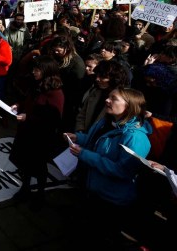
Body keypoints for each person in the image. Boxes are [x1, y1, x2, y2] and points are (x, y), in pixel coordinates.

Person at [65, 87, 152, 247]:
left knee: (100, 237)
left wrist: (85, 155)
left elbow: (122, 170)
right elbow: (97, 142)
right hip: (93, 189)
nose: (107, 100)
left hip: (111, 199)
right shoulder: (107, 122)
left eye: (114, 98)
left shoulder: (135, 138)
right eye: (109, 96)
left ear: (129, 106)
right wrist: (80, 138)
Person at [9, 55, 64, 208]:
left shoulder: (55, 92)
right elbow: (30, 102)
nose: (34, 72)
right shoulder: (36, 84)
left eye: (37, 69)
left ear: (46, 71)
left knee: (39, 167)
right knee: (25, 163)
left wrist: (29, 117)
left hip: (40, 136)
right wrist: (18, 106)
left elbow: (54, 118)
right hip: (26, 132)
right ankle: (25, 188)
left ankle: (40, 194)